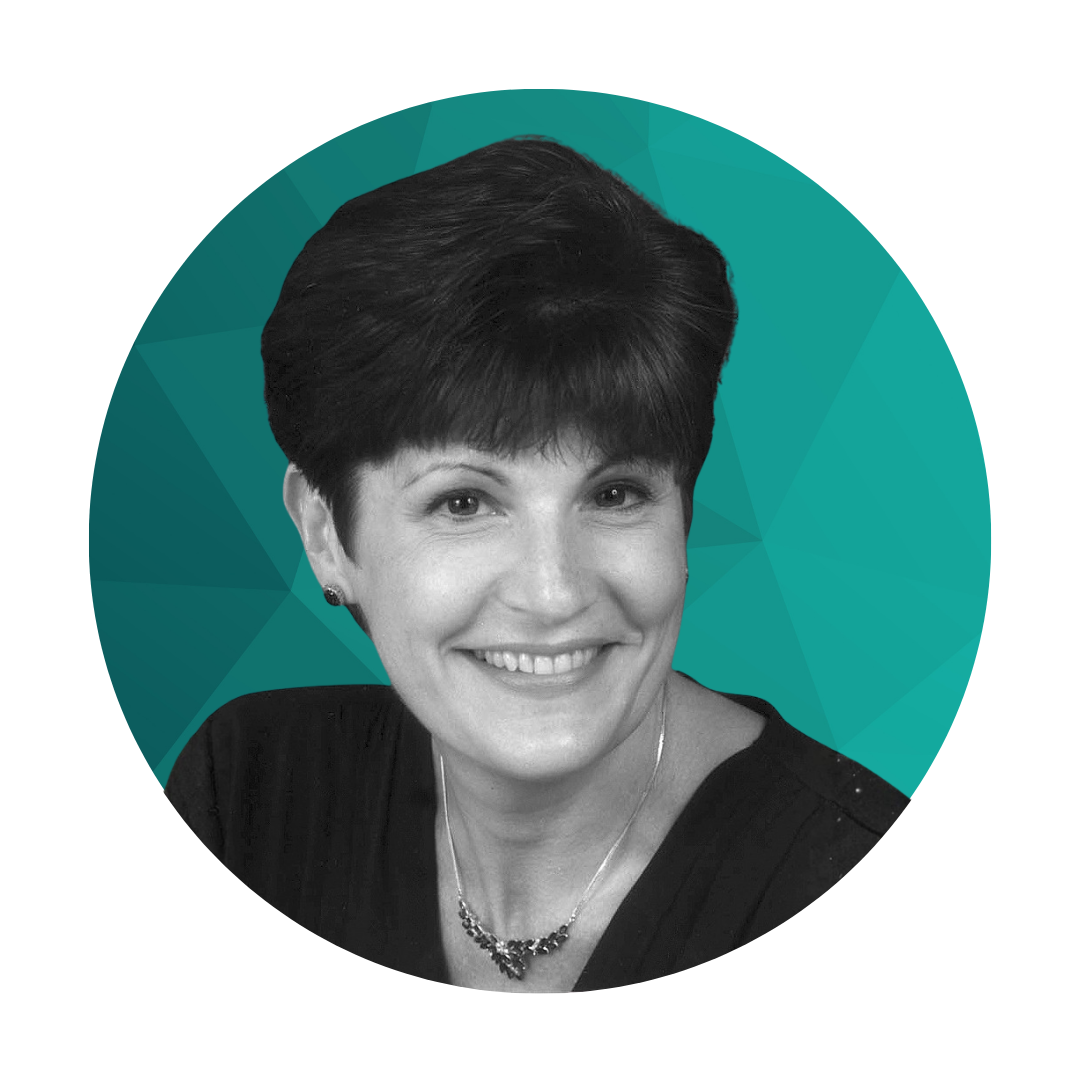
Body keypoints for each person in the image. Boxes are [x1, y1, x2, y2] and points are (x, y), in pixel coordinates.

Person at [166, 137, 907, 992]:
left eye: (616, 494)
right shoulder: (249, 793)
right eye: (464, 504)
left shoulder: (866, 887)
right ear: (326, 534)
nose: (553, 593)